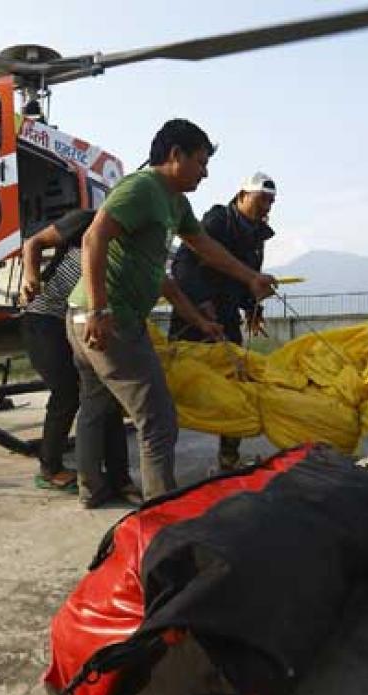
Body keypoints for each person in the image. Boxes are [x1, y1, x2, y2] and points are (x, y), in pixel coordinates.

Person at [66, 119, 276, 507]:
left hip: (95, 317)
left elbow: (201, 249)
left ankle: (92, 491)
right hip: (108, 320)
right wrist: (99, 309)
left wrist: (247, 281)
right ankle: (163, 512)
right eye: (200, 162)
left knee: (96, 407)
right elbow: (92, 237)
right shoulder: (142, 188)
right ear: (175, 155)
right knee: (159, 421)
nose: (206, 172)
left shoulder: (175, 204)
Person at [18, 209, 132, 496]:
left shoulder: (131, 238)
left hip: (80, 318)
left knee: (105, 392)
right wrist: (30, 277)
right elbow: (33, 243)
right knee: (66, 391)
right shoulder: (87, 220)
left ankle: (116, 473)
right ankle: (50, 468)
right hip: (44, 315)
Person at [169, 171, 277, 471]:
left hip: (227, 319)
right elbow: (184, 264)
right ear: (242, 196)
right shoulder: (217, 222)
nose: (266, 207)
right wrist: (202, 304)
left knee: (237, 384)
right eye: (261, 200)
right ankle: (159, 454)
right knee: (175, 385)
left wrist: (253, 309)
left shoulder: (258, 236)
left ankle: (229, 456)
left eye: (270, 202)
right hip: (194, 316)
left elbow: (247, 279)